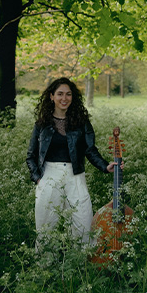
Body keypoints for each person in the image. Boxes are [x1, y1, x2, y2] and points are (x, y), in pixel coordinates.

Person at [26, 77, 118, 246]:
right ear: (51, 96)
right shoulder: (42, 124)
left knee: (83, 223)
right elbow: (31, 156)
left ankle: (81, 267)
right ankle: (45, 267)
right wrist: (39, 179)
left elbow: (90, 150)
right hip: (49, 176)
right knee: (46, 228)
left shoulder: (81, 122)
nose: (64, 98)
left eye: (68, 94)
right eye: (60, 94)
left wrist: (105, 166)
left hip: (75, 176)